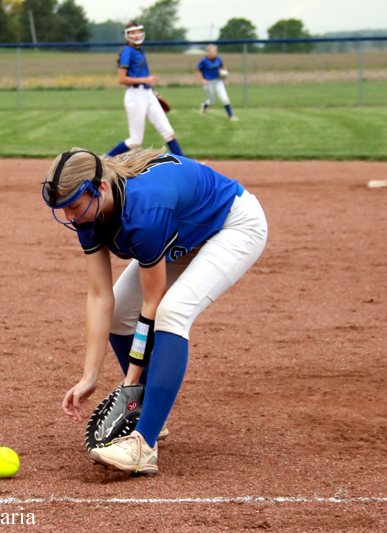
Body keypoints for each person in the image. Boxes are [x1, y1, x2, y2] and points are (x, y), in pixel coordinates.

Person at [42, 148, 267, 474]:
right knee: (119, 314)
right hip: (182, 234)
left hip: (232, 226)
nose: (69, 216)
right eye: (62, 208)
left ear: (100, 188)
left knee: (172, 313)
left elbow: (152, 303)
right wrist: (89, 377)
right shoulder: (88, 209)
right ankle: (149, 414)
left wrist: (130, 382)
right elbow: (100, 295)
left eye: (73, 206)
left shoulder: (144, 211)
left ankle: (144, 443)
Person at [106, 23, 184, 158]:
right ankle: (104, 160)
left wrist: (150, 89)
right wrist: (145, 80)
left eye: (138, 32)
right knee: (135, 141)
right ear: (127, 35)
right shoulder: (127, 51)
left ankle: (184, 163)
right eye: (132, 33)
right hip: (135, 95)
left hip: (147, 93)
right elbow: (122, 79)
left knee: (168, 132)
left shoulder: (140, 50)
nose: (136, 35)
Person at [197, 44, 239, 121]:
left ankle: (231, 116)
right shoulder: (204, 61)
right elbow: (199, 71)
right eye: (211, 51)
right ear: (208, 52)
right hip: (208, 82)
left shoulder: (218, 59)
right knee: (211, 101)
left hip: (218, 81)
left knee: (224, 98)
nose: (213, 53)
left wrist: (225, 71)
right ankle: (204, 105)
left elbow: (222, 67)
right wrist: (202, 80)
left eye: (214, 51)